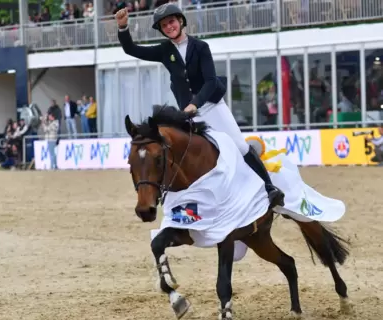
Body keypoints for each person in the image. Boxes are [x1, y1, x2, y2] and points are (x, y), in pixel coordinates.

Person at [114, 4, 284, 206]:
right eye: (164, 25)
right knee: (190, 154)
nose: (169, 27)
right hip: (188, 113)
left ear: (181, 21)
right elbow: (131, 49)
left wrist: (195, 104)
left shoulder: (201, 47)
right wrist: (123, 27)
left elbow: (211, 81)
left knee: (239, 145)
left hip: (211, 105)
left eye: (172, 22)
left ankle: (269, 188)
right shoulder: (164, 50)